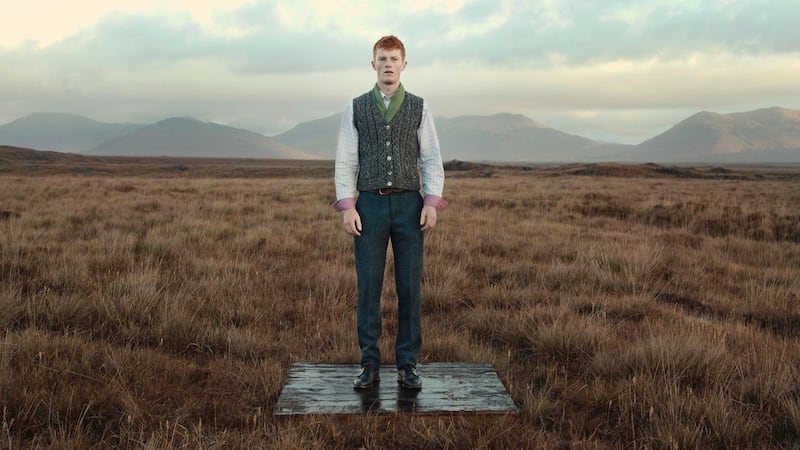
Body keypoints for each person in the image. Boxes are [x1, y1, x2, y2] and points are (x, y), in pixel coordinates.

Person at [334, 35, 447, 390]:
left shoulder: (419, 106)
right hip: (368, 205)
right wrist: (347, 204)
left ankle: (407, 364)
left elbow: (430, 157)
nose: (387, 64)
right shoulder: (355, 107)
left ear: (403, 64)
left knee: (409, 285)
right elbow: (346, 159)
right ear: (373, 64)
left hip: (409, 205)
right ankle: (369, 363)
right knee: (368, 285)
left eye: (394, 59)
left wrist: (431, 201)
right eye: (381, 58)